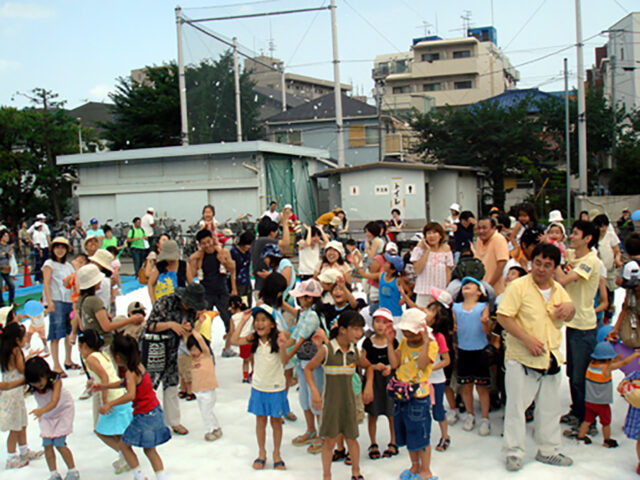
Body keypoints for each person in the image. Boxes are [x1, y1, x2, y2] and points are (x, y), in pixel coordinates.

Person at [497, 243, 576, 471]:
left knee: (550, 409)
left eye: (547, 265)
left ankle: (548, 450)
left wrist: (569, 309)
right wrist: (526, 339)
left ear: (555, 268)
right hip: (521, 358)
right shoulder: (518, 287)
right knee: (516, 408)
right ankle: (514, 452)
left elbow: (566, 314)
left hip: (549, 357)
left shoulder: (558, 289)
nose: (541, 269)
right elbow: (504, 317)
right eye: (537, 263)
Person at [306, 310, 372, 480]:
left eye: (361, 329)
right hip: (331, 404)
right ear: (343, 329)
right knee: (329, 441)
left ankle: (356, 472)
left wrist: (368, 387)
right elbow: (308, 369)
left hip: (349, 402)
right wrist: (314, 391)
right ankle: (326, 475)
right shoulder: (327, 350)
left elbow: (369, 366)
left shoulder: (354, 351)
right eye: (355, 329)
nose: (359, 333)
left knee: (352, 439)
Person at [95, 334, 171, 480]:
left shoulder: (130, 372)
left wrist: (110, 403)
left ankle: (139, 476)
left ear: (117, 357)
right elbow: (125, 383)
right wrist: (104, 386)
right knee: (150, 450)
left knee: (124, 445)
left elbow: (130, 394)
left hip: (144, 415)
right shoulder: (138, 367)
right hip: (154, 411)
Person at [231, 304, 290, 471]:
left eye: (263, 320)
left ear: (272, 323)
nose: (259, 324)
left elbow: (285, 361)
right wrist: (243, 321)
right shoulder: (253, 339)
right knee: (260, 421)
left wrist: (283, 345)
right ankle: (262, 453)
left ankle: (277, 454)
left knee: (276, 422)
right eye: (256, 320)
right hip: (258, 387)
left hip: (276, 388)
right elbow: (234, 341)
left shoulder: (278, 338)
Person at [142, 282, 206, 436]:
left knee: (171, 384)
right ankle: (145, 420)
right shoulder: (166, 302)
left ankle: (174, 421)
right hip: (154, 348)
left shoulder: (191, 311)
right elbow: (149, 325)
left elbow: (187, 329)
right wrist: (170, 325)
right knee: (149, 385)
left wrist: (186, 329)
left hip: (172, 349)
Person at [555, 221, 601, 429]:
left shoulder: (590, 261)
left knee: (580, 377)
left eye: (575, 233)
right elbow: (565, 257)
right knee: (572, 373)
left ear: (588, 238)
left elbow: (563, 280)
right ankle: (577, 411)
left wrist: (554, 261)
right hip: (572, 323)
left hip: (584, 326)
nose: (571, 237)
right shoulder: (575, 256)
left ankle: (587, 420)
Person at [386, 308, 438, 480]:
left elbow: (422, 364)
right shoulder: (403, 342)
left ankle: (426, 469)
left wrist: (425, 342)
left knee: (420, 433)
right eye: (405, 332)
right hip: (402, 394)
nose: (408, 336)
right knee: (408, 432)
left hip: (418, 396)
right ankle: (415, 465)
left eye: (411, 333)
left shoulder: (431, 344)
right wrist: (389, 342)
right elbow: (394, 363)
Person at [77, 329, 133, 474]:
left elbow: (104, 377)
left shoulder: (90, 359)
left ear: (84, 345)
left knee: (101, 431)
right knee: (119, 431)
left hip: (113, 397)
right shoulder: (102, 354)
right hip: (120, 394)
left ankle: (124, 454)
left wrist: (105, 400)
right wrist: (92, 382)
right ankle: (124, 456)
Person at [281, 279, 324, 454]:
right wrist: (283, 351)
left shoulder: (312, 316)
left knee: (316, 397)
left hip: (313, 363)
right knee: (304, 398)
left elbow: (300, 340)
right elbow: (295, 335)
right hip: (302, 361)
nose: (298, 300)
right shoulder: (304, 313)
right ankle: (311, 430)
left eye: (301, 297)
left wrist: (287, 356)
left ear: (310, 299)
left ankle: (322, 434)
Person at [569, 342, 640, 446]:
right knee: (606, 423)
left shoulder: (591, 365)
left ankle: (581, 437)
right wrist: (635, 355)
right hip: (602, 403)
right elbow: (623, 363)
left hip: (589, 401)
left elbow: (608, 363)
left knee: (587, 420)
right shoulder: (606, 369)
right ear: (608, 358)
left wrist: (615, 359)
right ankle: (607, 440)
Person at [25, 356, 79, 480]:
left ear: (45, 374)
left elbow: (54, 401)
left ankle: (73, 471)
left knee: (59, 443)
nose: (38, 385)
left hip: (62, 411)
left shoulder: (55, 380)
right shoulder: (32, 385)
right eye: (34, 383)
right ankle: (53, 474)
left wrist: (41, 411)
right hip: (47, 415)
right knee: (47, 444)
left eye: (40, 381)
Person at [0, 323, 43, 469]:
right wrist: (30, 357)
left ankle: (24, 451)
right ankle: (11, 457)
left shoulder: (5, 349)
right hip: (14, 392)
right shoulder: (16, 351)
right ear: (17, 340)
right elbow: (21, 368)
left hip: (10, 393)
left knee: (21, 423)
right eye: (24, 338)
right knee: (15, 426)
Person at [452, 277, 491, 435]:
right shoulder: (455, 307)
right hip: (463, 350)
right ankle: (470, 414)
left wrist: (485, 322)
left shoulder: (483, 306)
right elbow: (453, 327)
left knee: (481, 386)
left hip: (480, 350)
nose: (466, 286)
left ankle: (485, 418)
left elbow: (487, 331)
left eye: (471, 285)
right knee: (466, 385)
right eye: (464, 285)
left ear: (479, 292)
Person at [189, 229, 236, 357]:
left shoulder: (222, 251)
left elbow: (232, 269)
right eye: (203, 243)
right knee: (203, 322)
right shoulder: (199, 257)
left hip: (222, 291)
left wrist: (224, 261)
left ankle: (227, 347)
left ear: (212, 239)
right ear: (200, 244)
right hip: (206, 293)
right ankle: (204, 348)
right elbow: (192, 274)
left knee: (229, 320)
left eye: (208, 241)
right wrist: (191, 260)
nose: (207, 245)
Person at [360, 308, 399, 460]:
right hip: (373, 380)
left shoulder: (393, 341)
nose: (380, 325)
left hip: (389, 380)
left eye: (384, 322)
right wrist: (374, 366)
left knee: (391, 413)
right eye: (377, 321)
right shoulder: (368, 342)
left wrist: (389, 367)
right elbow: (362, 360)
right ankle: (373, 443)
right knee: (373, 413)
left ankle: (393, 441)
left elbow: (395, 362)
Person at [76, 264, 144, 349]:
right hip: (104, 344)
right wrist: (130, 320)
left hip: (91, 344)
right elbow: (106, 327)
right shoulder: (94, 301)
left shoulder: (80, 300)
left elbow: (82, 326)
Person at [42, 237, 76, 375]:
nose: (60, 250)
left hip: (69, 300)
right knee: (56, 333)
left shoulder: (69, 266)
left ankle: (68, 360)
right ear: (53, 249)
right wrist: (48, 302)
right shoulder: (49, 264)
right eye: (57, 247)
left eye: (63, 248)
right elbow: (46, 283)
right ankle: (56, 365)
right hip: (56, 300)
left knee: (69, 332)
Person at [185, 330, 222, 442]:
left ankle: (210, 430)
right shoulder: (192, 360)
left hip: (208, 390)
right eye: (191, 350)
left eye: (195, 349)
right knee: (206, 411)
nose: (193, 352)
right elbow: (186, 339)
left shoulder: (206, 356)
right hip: (198, 391)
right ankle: (216, 427)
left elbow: (201, 341)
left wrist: (195, 331)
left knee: (206, 412)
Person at [411, 222, 454, 308]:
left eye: (434, 232)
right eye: (429, 233)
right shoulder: (420, 248)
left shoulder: (446, 248)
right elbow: (417, 270)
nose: (431, 236)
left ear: (440, 235)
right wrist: (427, 250)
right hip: (423, 292)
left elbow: (448, 271)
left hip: (440, 292)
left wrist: (445, 289)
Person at [251, 214, 291, 297]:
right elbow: (286, 243)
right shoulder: (265, 241)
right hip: (265, 289)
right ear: (271, 232)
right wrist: (284, 222)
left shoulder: (259, 242)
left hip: (261, 287)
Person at [147, 239, 193, 303]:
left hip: (181, 301)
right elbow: (150, 284)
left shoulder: (184, 265)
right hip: (163, 302)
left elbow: (191, 284)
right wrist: (153, 300)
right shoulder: (159, 266)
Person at [475, 216, 510, 296]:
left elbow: (501, 264)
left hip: (495, 290)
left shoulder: (499, 239)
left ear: (493, 228)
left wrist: (488, 286)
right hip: (481, 287)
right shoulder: (479, 240)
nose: (481, 231)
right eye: (479, 228)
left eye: (484, 228)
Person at [230, 231, 254, 306]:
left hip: (247, 282)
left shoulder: (249, 252)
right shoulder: (233, 252)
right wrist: (234, 289)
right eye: (247, 244)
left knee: (248, 305)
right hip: (237, 283)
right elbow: (232, 272)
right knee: (238, 306)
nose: (249, 247)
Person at [0, 229, 15, 307]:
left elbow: (10, 255)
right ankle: (1, 304)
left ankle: (11, 301)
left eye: (7, 236)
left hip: (6, 268)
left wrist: (4, 254)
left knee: (11, 285)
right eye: (5, 236)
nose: (7, 237)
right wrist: (5, 254)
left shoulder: (9, 247)